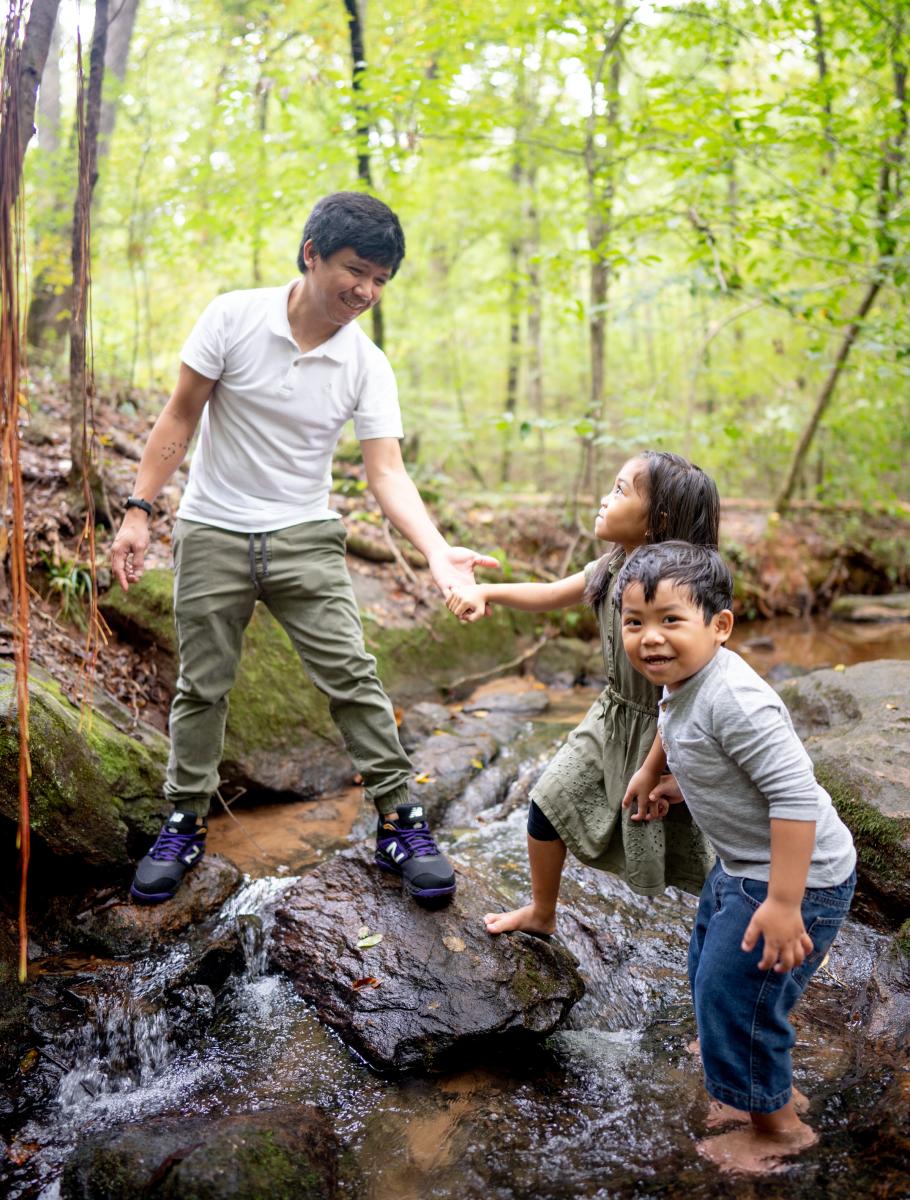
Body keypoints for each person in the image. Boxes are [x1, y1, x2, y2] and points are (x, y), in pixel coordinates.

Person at [110, 191, 498, 905]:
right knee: (203, 686)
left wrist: (438, 551)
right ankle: (183, 821)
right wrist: (140, 509)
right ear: (311, 252)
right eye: (357, 271)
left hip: (304, 536)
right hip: (213, 528)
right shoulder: (233, 316)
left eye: (382, 280)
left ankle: (399, 821)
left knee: (352, 678)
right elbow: (181, 414)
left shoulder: (366, 364)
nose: (367, 291)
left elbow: (387, 472)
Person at [616, 541, 856, 1173]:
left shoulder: (737, 700)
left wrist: (784, 903)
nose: (650, 639)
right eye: (635, 622)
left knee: (736, 995)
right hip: (740, 864)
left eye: (672, 620)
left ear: (720, 626)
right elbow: (675, 725)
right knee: (708, 974)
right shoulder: (684, 679)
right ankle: (746, 1072)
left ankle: (779, 1128)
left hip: (793, 878)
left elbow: (795, 795)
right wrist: (654, 774)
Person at [445, 451, 718, 937]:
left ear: (656, 520)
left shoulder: (676, 591)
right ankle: (541, 912)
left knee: (693, 845)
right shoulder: (612, 566)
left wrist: (657, 766)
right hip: (611, 715)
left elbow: (682, 692)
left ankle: (754, 919)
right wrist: (489, 591)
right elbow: (551, 592)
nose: (603, 499)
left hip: (669, 726)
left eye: (619, 491)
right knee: (547, 801)